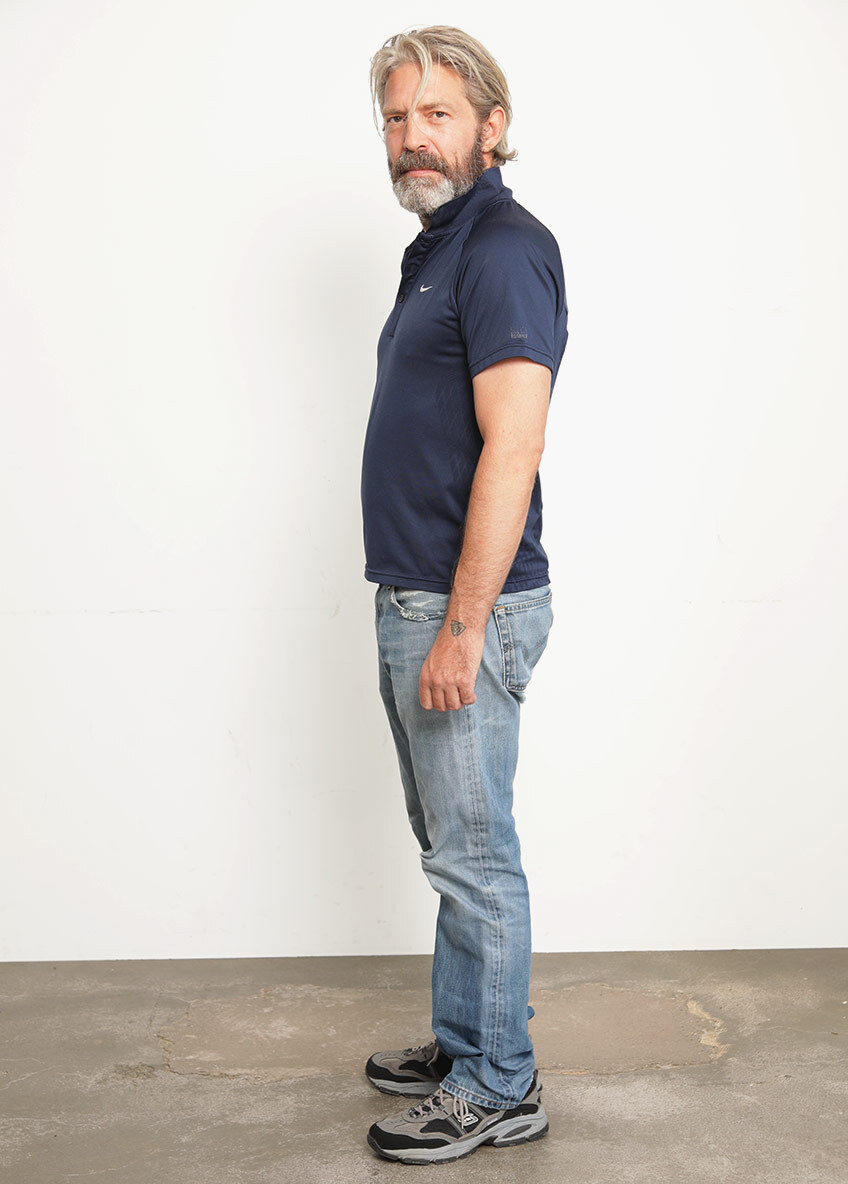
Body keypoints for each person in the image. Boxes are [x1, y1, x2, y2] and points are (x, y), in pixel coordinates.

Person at [359, 25, 569, 1164]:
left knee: (475, 854)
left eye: (435, 113)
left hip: (459, 608)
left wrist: (460, 625)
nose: (411, 137)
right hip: (418, 597)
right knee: (451, 842)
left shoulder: (502, 249)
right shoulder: (441, 244)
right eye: (397, 117)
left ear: (491, 124)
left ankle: (500, 1083)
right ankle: (465, 1040)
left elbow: (513, 444)